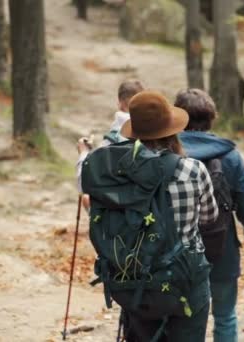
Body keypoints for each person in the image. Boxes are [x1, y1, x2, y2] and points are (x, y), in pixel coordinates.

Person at [82, 90, 218, 341]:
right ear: (171, 129)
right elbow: (209, 217)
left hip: (135, 282)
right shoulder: (192, 169)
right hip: (185, 280)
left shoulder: (117, 174)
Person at [175, 88, 244, 342]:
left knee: (186, 319)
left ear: (178, 118)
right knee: (225, 316)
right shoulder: (230, 156)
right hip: (222, 250)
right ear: (211, 119)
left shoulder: (168, 154)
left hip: (177, 256)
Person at [76, 79, 144, 204]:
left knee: (88, 199)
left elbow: (83, 184)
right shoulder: (154, 138)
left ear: (119, 103)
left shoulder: (110, 142)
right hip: (147, 214)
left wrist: (84, 153)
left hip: (114, 213)